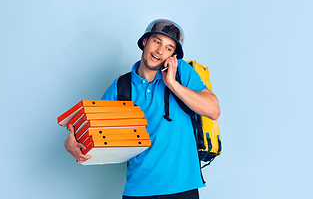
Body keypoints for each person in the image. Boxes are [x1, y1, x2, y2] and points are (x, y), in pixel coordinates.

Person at [65, 19, 220, 198]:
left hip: (182, 189)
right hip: (137, 191)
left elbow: (213, 110)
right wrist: (70, 145)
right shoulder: (121, 86)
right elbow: (91, 131)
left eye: (169, 48)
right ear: (145, 41)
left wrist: (172, 83)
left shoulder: (181, 73)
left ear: (172, 56)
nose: (160, 51)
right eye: (157, 41)